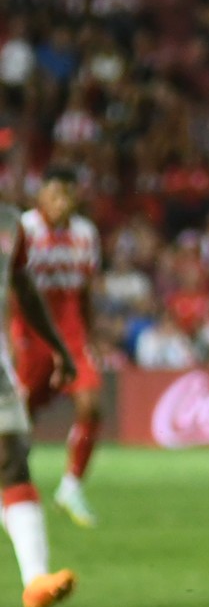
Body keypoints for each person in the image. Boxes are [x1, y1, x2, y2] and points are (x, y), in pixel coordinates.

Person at [0, 202, 80, 607]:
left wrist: (58, 347)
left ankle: (35, 581)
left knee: (13, 459)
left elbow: (23, 289)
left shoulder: (10, 224)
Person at [12, 167, 102, 527]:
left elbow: (86, 292)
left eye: (68, 195)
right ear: (41, 198)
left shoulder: (86, 234)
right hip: (31, 334)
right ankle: (11, 491)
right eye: (55, 195)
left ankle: (71, 486)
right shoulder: (24, 230)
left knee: (91, 405)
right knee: (20, 420)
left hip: (71, 334)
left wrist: (90, 334)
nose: (62, 203)